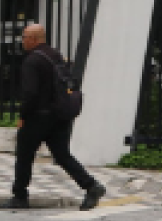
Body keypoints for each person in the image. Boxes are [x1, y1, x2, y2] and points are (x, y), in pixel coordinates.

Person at [8, 23, 105, 211]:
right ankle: (91, 186)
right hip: (60, 115)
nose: (23, 40)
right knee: (62, 155)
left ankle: (20, 196)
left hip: (38, 116)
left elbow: (30, 93)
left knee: (24, 154)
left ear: (34, 39)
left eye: (25, 37)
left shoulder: (32, 61)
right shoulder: (55, 55)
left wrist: (23, 116)